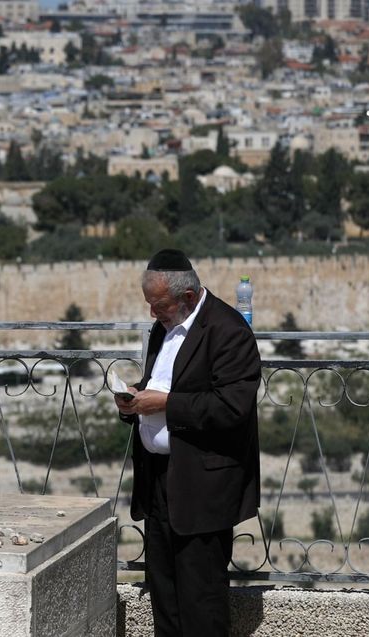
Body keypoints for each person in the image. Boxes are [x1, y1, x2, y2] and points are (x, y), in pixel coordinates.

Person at [115, 248, 260, 637]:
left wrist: (164, 403)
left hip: (202, 486)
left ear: (188, 298)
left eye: (157, 304)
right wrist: (135, 400)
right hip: (160, 480)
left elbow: (232, 407)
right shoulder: (164, 327)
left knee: (201, 601)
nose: (152, 314)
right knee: (165, 594)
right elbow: (162, 384)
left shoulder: (228, 331)